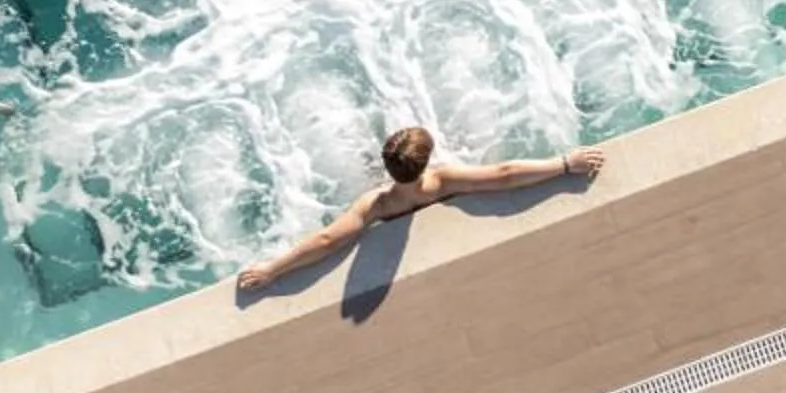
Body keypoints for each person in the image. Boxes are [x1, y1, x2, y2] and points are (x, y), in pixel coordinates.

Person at [236, 125, 604, 293]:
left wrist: (273, 269)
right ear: (425, 163)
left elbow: (329, 239)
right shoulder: (444, 181)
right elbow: (504, 175)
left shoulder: (378, 204)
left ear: (389, 168)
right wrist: (565, 164)